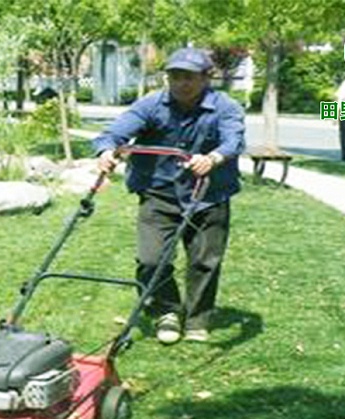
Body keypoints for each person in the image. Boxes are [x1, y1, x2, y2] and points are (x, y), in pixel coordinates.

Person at [93, 47, 245, 344]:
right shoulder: (152, 104)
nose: (180, 83)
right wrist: (107, 150)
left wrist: (212, 158)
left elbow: (233, 140)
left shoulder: (225, 106)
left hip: (209, 195)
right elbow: (114, 132)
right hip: (159, 193)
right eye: (174, 76)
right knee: (151, 259)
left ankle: (198, 319)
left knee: (204, 261)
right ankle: (167, 311)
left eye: (188, 77)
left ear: (206, 78)